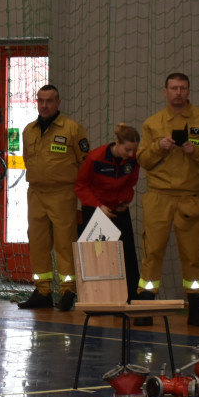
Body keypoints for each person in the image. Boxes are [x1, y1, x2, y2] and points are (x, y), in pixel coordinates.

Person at [136, 72, 199, 326]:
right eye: (173, 88)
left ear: (189, 91)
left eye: (183, 88)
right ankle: (145, 309)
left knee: (192, 255)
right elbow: (142, 160)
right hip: (158, 197)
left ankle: (195, 310)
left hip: (190, 197)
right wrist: (157, 147)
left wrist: (196, 152)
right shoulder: (153, 123)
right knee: (153, 252)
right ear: (165, 92)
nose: (178, 92)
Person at [17, 85, 89, 311]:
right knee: (37, 244)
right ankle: (43, 291)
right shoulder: (29, 130)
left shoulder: (72, 129)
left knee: (65, 243)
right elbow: (27, 159)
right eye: (40, 101)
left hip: (63, 194)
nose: (44, 105)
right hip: (36, 193)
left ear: (58, 102)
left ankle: (68, 291)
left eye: (49, 101)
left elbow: (85, 162)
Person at [74, 123, 141, 299]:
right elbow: (81, 186)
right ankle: (94, 299)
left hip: (118, 210)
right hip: (95, 210)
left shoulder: (133, 160)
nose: (130, 154)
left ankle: (131, 298)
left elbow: (130, 183)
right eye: (127, 149)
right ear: (117, 143)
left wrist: (125, 200)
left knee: (127, 255)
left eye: (133, 150)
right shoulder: (95, 158)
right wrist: (99, 207)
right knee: (96, 257)